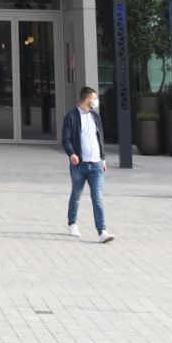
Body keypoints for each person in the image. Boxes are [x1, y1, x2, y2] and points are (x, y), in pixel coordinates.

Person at [61, 85, 114, 243]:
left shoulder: (95, 116)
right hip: (80, 165)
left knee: (97, 198)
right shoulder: (71, 117)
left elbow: (100, 138)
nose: (96, 100)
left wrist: (103, 158)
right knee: (76, 195)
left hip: (96, 165)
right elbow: (66, 139)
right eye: (94, 98)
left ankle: (102, 231)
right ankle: (72, 223)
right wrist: (72, 154)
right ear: (87, 99)